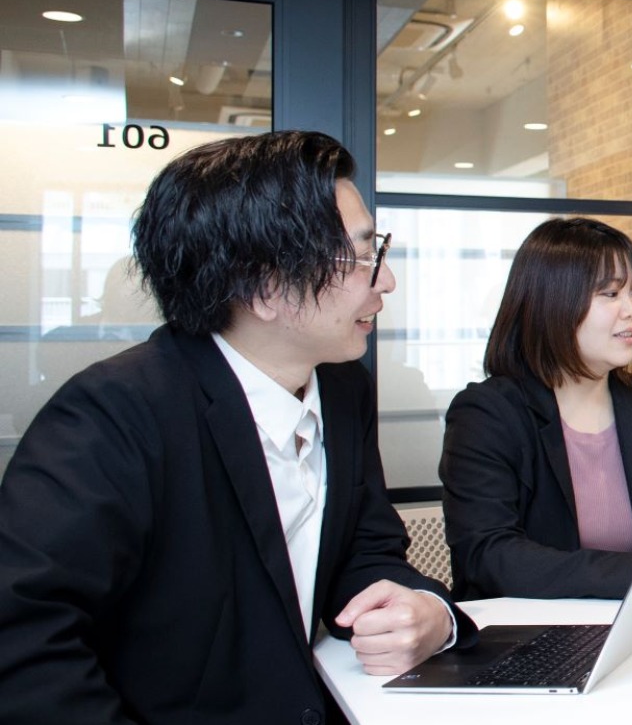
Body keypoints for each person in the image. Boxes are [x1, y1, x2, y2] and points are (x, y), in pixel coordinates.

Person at [0, 130, 474, 723]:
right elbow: (23, 640)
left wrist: (430, 611)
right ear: (263, 287)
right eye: (358, 256)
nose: (385, 280)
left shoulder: (343, 389)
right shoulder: (114, 414)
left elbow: (365, 550)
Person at [441, 217, 632, 600]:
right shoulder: (488, 413)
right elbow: (490, 557)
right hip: (531, 630)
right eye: (610, 293)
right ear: (551, 303)